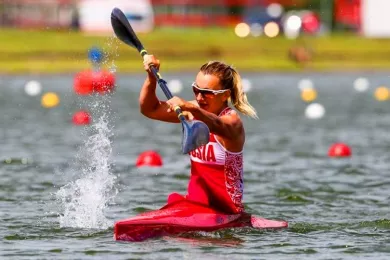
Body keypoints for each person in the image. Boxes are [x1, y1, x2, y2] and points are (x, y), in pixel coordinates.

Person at [140, 54, 258, 214]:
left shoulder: (233, 123)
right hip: (195, 206)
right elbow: (150, 109)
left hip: (225, 212)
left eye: (207, 92)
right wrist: (151, 77)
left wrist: (191, 108)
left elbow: (215, 123)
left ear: (225, 95)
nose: (200, 97)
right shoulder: (192, 109)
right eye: (196, 90)